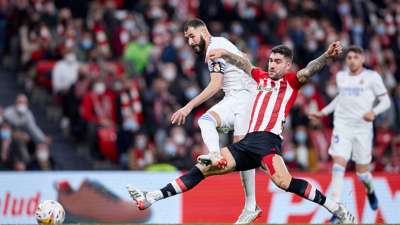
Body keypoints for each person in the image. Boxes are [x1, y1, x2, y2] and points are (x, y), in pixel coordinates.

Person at [127, 41, 356, 224]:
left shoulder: (291, 82)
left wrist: (326, 56)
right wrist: (223, 54)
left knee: (283, 182)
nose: (272, 65)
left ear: (288, 66)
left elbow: (309, 70)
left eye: (277, 62)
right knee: (203, 168)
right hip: (247, 143)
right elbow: (243, 62)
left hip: (268, 142)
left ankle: (335, 208)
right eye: (270, 61)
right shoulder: (261, 77)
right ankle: (152, 197)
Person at [170, 19, 259, 223]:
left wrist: (188, 106)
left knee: (244, 150)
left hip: (246, 97)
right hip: (234, 97)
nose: (191, 42)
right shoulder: (220, 43)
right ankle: (216, 155)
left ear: (204, 31)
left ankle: (251, 205)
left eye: (192, 36)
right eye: (187, 39)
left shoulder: (214, 49)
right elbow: (243, 60)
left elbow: (215, 85)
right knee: (206, 121)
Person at [308, 45, 391, 222]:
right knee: (338, 165)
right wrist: (323, 112)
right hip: (342, 126)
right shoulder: (341, 76)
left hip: (362, 128)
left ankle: (370, 189)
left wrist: (374, 112)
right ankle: (337, 210)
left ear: (362, 59)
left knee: (362, 173)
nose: (352, 60)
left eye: (355, 57)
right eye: (349, 57)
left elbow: (385, 101)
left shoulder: (372, 77)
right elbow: (340, 99)